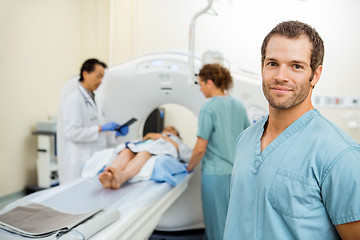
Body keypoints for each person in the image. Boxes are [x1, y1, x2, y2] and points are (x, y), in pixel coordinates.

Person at [223, 20, 360, 240]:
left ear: (315, 74)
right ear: (262, 68)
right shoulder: (245, 140)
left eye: (296, 66)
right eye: (273, 63)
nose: (281, 76)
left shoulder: (341, 155)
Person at [186, 63, 250, 240]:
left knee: (216, 223)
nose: (200, 89)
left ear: (210, 82)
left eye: (200, 84)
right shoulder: (238, 105)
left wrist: (189, 167)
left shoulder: (209, 108)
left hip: (215, 176)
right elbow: (248, 137)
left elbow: (200, 148)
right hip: (235, 174)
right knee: (232, 221)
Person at [58, 58, 128, 185]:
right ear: (85, 74)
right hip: (78, 159)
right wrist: (101, 128)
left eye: (102, 78)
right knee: (76, 194)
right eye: (98, 76)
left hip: (93, 157)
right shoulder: (74, 100)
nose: (100, 81)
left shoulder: (95, 100)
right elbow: (72, 133)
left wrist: (115, 134)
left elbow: (97, 131)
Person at [99, 125, 192, 189]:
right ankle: (110, 174)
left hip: (155, 147)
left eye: (172, 129)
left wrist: (167, 138)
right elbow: (144, 139)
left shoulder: (175, 140)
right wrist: (153, 136)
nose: (168, 129)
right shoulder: (154, 135)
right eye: (166, 128)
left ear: (177, 134)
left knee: (145, 152)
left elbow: (187, 155)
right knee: (127, 150)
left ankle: (122, 176)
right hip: (144, 144)